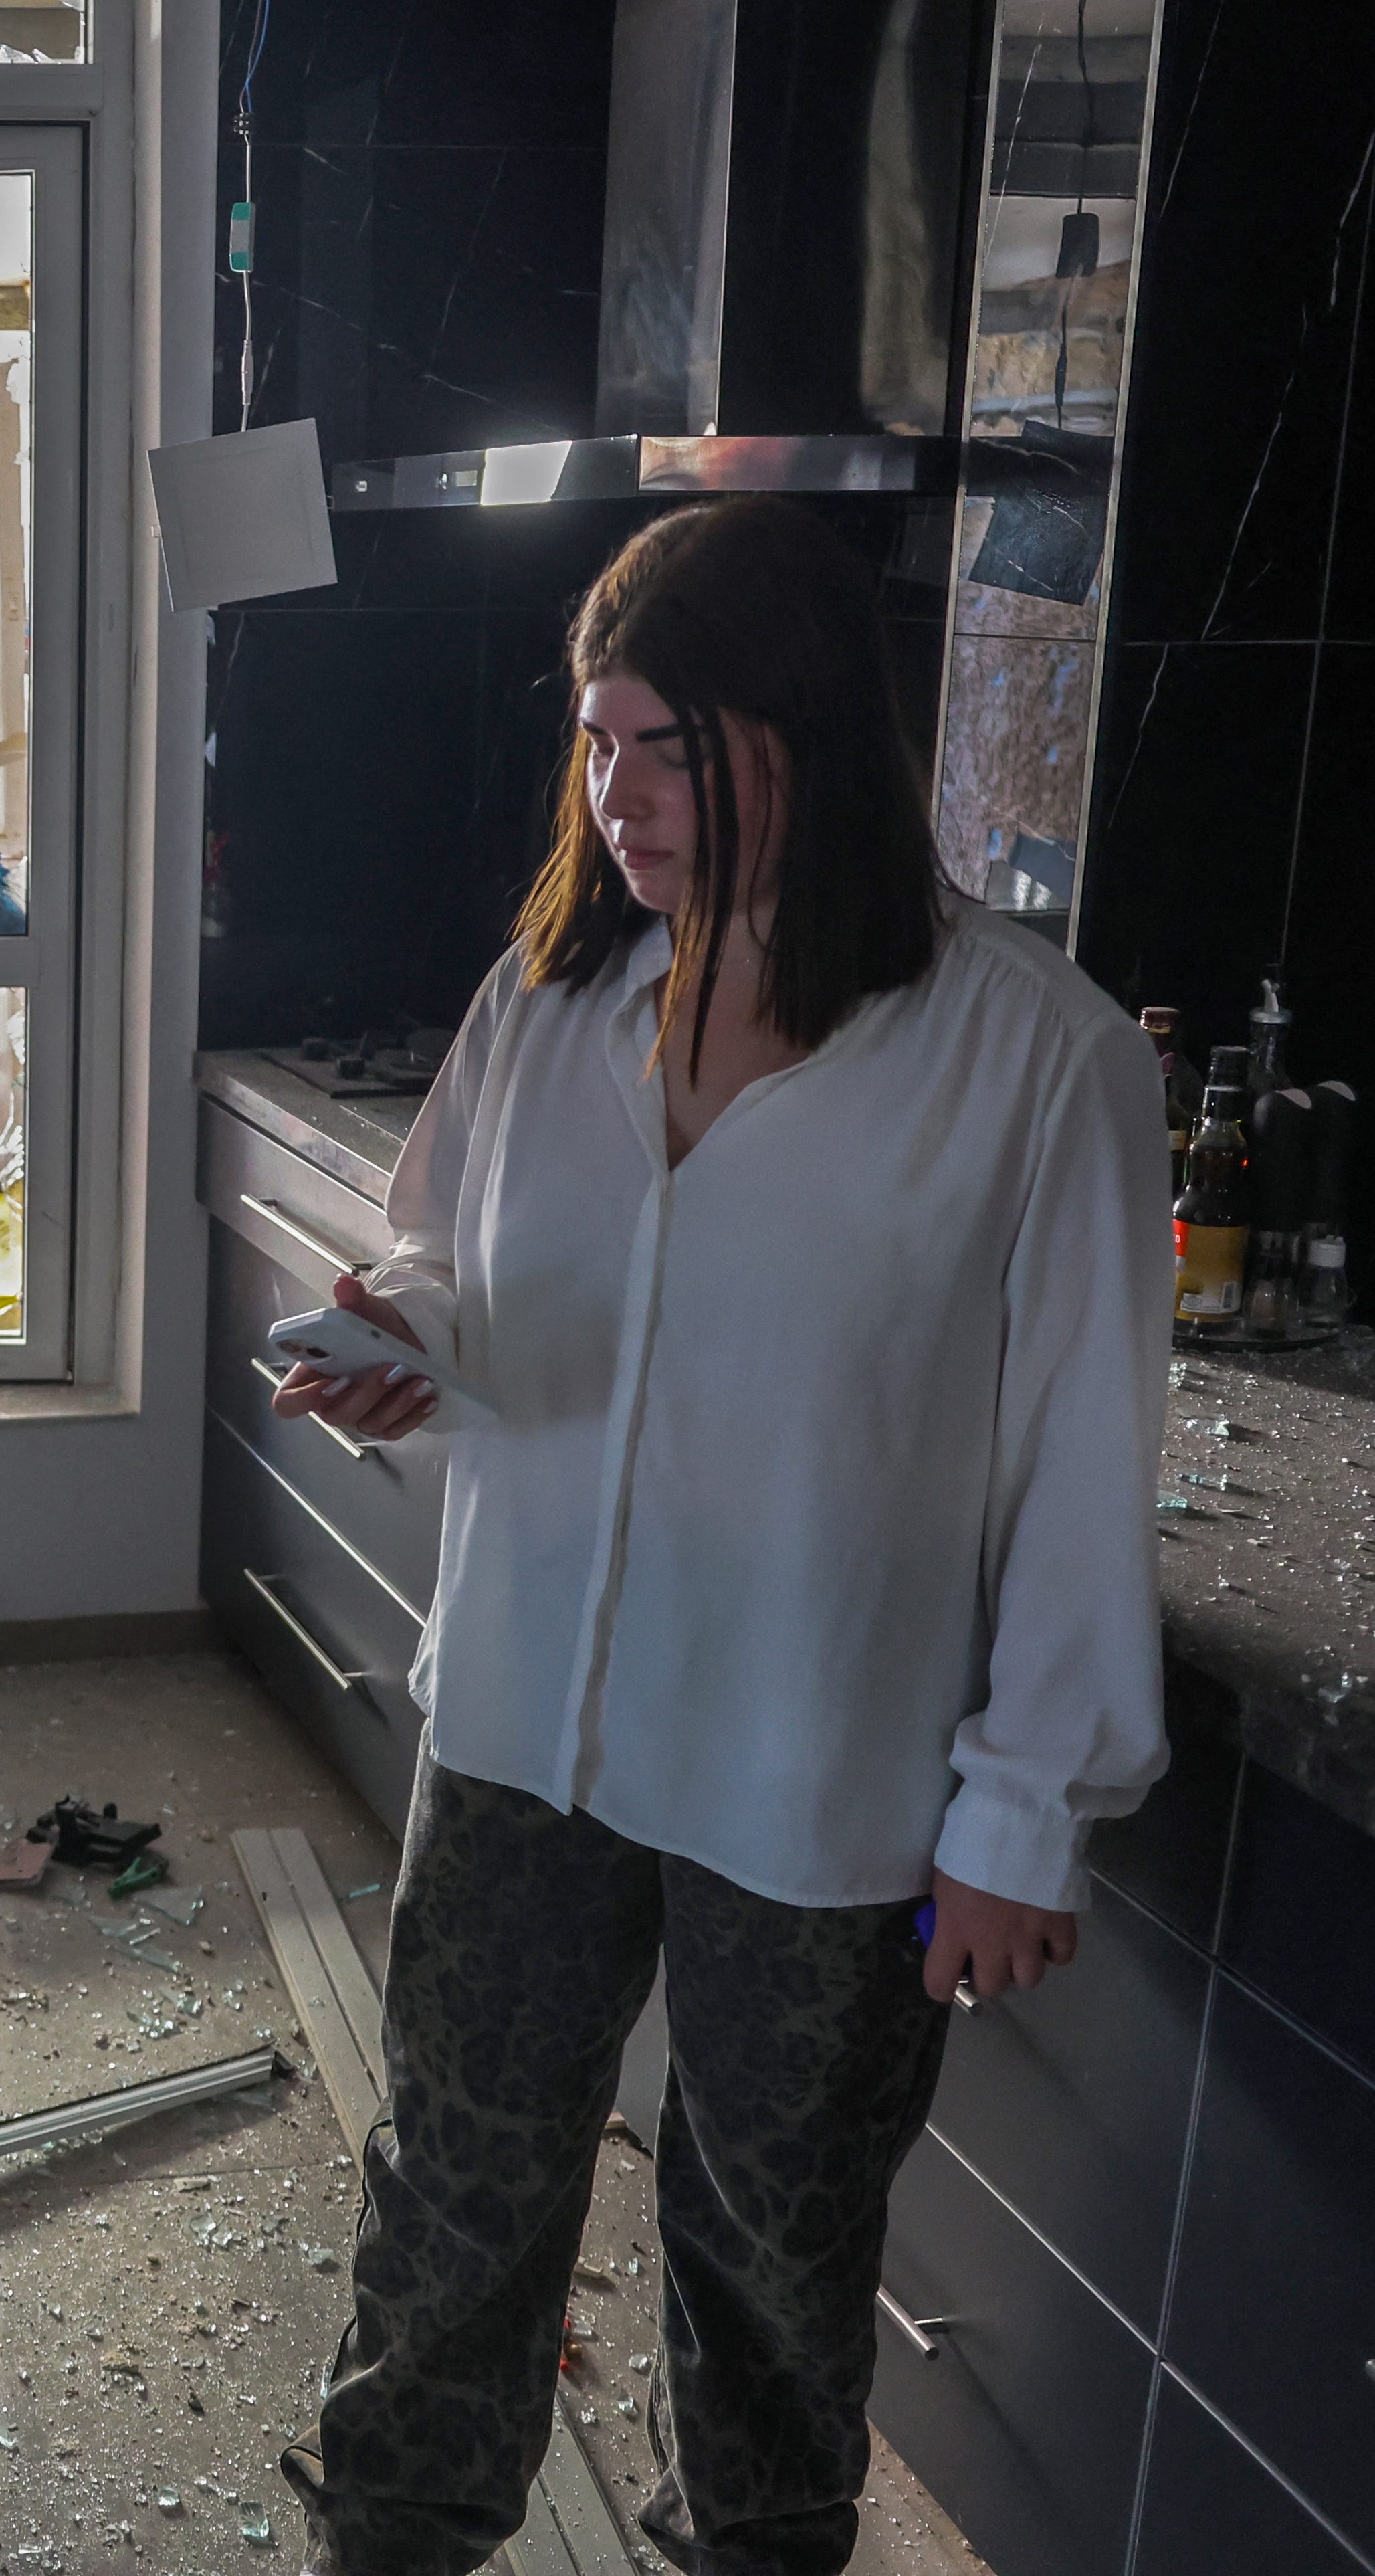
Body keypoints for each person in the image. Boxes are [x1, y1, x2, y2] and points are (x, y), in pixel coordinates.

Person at [268, 498, 1167, 2576]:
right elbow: (449, 1237)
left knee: (768, 2255)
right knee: (451, 2190)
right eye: (597, 745)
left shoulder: (1036, 1062)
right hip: (525, 1723)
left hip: (813, 1770)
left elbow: (1080, 1461)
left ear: (808, 734)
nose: (620, 796)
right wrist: (406, 1327)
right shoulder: (559, 995)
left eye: (667, 745)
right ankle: (389, 2544)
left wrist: (1024, 1817)